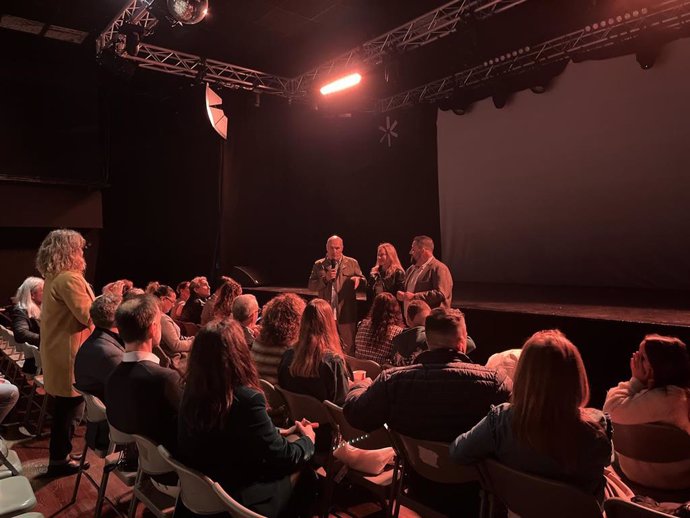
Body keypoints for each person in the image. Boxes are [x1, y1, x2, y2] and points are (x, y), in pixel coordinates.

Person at [344, 307, 510, 516]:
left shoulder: (393, 381)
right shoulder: (496, 383)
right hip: (473, 496)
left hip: (418, 486)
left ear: (428, 343)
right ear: (462, 343)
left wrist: (359, 386)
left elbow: (355, 415)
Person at [450, 330, 614, 503]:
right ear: (576, 375)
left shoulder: (500, 421)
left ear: (523, 375)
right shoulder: (597, 427)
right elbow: (606, 460)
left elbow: (458, 452)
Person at [177, 320, 317, 518]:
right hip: (235, 499)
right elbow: (283, 457)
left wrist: (276, 431)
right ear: (238, 353)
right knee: (307, 473)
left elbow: (229, 434)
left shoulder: (190, 389)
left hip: (203, 491)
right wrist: (308, 440)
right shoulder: (247, 399)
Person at [36, 229, 95, 476]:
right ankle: (59, 460)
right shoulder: (69, 279)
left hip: (59, 351)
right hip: (69, 354)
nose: (82, 253)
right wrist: (111, 300)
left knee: (65, 410)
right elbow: (89, 315)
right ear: (70, 251)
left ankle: (61, 455)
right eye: (79, 248)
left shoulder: (54, 277)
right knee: (70, 411)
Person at [603, 334, 690, 490]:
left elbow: (610, 409)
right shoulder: (674, 398)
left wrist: (635, 381)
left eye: (641, 357)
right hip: (676, 481)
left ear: (657, 366)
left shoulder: (668, 400)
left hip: (637, 478)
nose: (634, 361)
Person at [105, 295, 182, 452]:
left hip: (138, 458)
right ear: (153, 328)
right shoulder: (165, 379)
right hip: (167, 467)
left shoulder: (113, 375)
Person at [278, 299, 351, 407]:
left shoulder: (287, 356)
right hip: (328, 423)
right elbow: (342, 406)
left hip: (296, 421)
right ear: (329, 324)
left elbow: (282, 390)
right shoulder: (333, 363)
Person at [308, 235, 365, 353]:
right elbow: (311, 286)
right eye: (332, 248)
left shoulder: (352, 263)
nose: (334, 251)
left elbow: (363, 280)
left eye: (337, 248)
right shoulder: (319, 264)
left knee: (348, 347)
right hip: (326, 313)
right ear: (326, 248)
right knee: (326, 347)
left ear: (342, 248)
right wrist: (325, 279)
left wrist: (358, 279)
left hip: (346, 313)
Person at [74, 294, 125, 401]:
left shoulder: (96, 339)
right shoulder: (109, 353)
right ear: (118, 318)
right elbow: (127, 389)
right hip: (110, 409)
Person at [251, 293, 306, 385]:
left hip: (259, 390)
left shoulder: (258, 341)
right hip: (279, 397)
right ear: (297, 319)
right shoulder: (290, 350)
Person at [396, 235, 453, 311]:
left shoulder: (439, 268)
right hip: (411, 320)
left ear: (423, 250)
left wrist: (414, 297)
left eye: (413, 250)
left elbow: (441, 294)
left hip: (432, 319)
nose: (410, 252)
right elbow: (406, 292)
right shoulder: (411, 269)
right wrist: (402, 294)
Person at [151, 285, 193, 375]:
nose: (174, 305)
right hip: (175, 361)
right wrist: (195, 342)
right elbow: (176, 345)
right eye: (172, 301)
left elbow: (177, 337)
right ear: (163, 299)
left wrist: (190, 339)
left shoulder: (155, 314)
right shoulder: (162, 318)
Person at [354, 292, 404, 365]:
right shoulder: (398, 332)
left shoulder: (361, 325)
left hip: (359, 370)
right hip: (381, 374)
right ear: (395, 309)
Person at [10, 276, 43, 374]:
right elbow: (20, 333)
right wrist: (45, 339)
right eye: (43, 290)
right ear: (32, 295)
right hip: (36, 363)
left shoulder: (41, 308)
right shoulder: (21, 310)